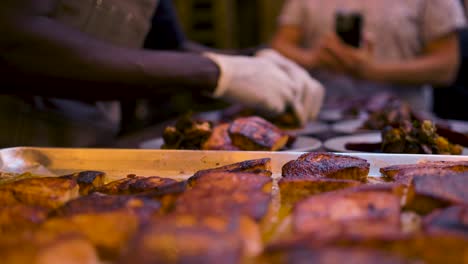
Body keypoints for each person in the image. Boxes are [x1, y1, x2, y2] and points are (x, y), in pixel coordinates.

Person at [0, 0, 324, 147]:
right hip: (13, 150)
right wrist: (217, 72)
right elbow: (17, 41)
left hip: (90, 149)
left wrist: (253, 62)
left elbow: (167, 46)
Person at [272, 0, 466, 113]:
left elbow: (446, 66)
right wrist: (314, 58)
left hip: (403, 124)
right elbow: (280, 45)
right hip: (321, 118)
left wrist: (372, 71)